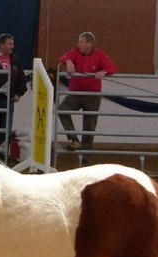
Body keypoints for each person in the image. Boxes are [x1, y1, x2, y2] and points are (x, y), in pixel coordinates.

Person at [57, 31, 118, 164]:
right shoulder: (75, 52)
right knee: (62, 109)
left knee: (89, 127)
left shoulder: (100, 54)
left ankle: (85, 160)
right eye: (79, 41)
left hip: (92, 96)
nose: (78, 44)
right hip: (75, 94)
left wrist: (103, 72)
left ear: (89, 44)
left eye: (81, 42)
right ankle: (74, 139)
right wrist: (68, 61)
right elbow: (62, 57)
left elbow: (112, 68)